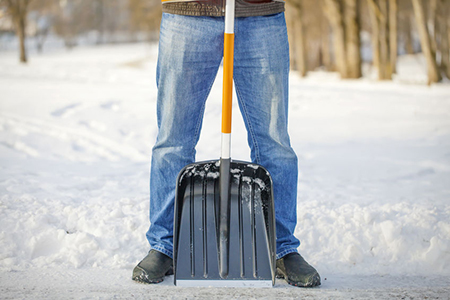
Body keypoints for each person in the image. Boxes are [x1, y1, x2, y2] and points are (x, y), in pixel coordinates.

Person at [132, 0, 320, 287]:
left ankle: (282, 248)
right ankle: (164, 245)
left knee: (274, 143)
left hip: (260, 16)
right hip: (187, 14)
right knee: (173, 140)